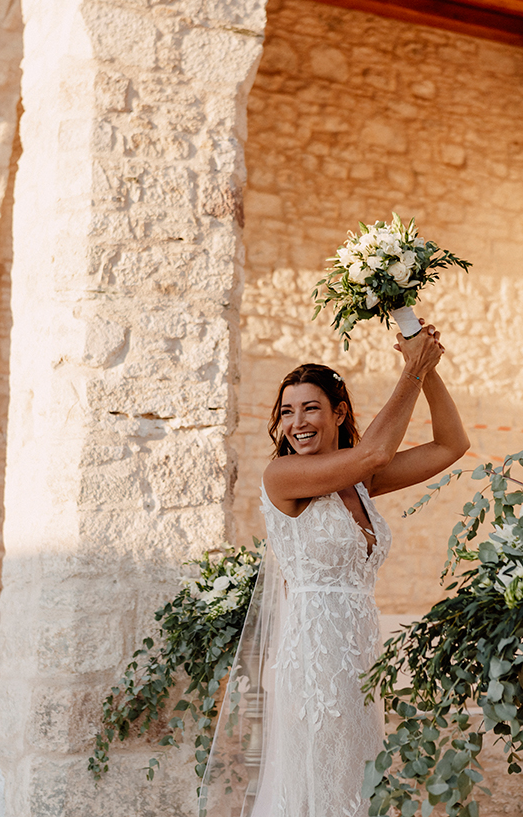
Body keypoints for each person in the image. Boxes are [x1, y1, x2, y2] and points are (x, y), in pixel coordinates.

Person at [199, 321, 469, 817]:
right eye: (286, 411)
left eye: (311, 407)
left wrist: (427, 367)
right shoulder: (283, 476)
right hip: (313, 660)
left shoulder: (361, 481)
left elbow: (451, 445)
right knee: (321, 781)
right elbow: (376, 450)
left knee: (357, 780)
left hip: (362, 656)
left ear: (338, 412)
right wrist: (411, 367)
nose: (297, 421)